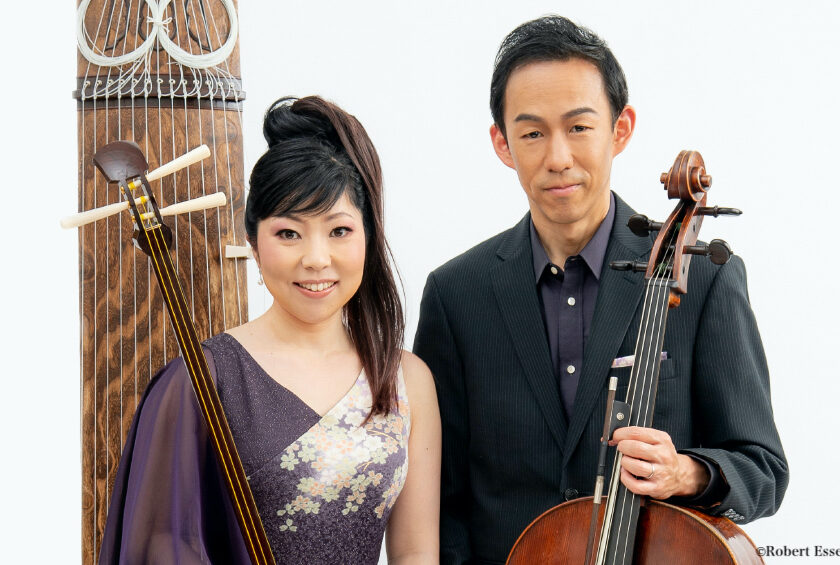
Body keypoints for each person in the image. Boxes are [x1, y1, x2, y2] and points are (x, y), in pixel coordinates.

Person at [413, 16, 787, 565]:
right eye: (532, 133)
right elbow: (441, 502)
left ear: (621, 128)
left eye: (579, 127)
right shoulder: (455, 295)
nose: (558, 157)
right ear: (502, 143)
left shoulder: (707, 279)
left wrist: (685, 472)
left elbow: (763, 470)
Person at [100, 96, 441, 564]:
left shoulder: (407, 379)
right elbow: (162, 545)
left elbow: (416, 553)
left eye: (339, 231)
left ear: (369, 236)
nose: (316, 258)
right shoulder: (202, 378)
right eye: (288, 233)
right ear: (254, 244)